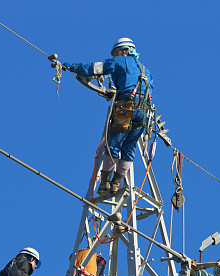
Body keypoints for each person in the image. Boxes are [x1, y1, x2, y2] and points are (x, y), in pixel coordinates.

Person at [63, 37, 154, 197]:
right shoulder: (145, 70)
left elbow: (95, 68)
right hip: (143, 113)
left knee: (113, 145)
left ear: (125, 51)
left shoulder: (119, 62)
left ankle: (105, 182)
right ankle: (116, 183)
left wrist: (72, 67)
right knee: (129, 148)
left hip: (126, 107)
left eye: (116, 52)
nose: (114, 56)